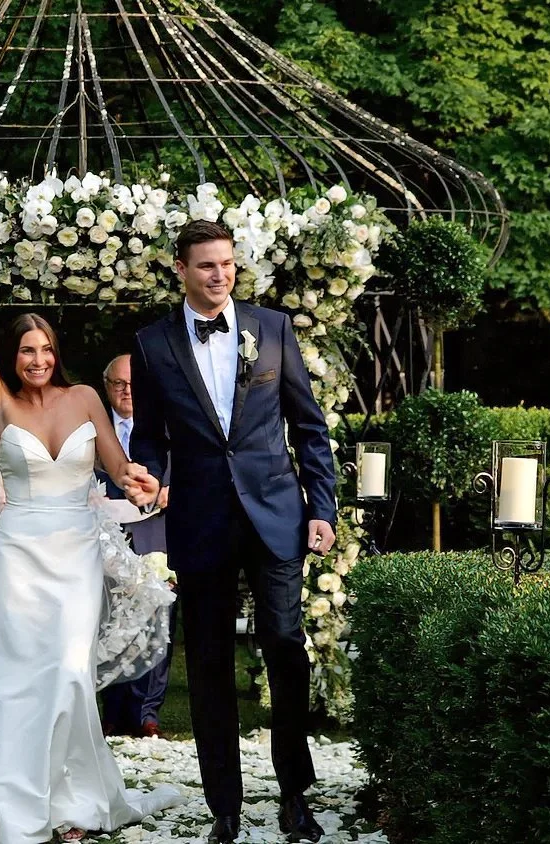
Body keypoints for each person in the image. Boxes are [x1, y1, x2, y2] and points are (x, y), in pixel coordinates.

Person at [0, 234, 183, 843]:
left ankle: (77, 801)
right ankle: (24, 808)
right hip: (19, 555)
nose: (39, 360)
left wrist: (136, 479)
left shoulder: (85, 398)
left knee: (68, 671)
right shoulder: (1, 405)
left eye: (47, 349)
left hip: (75, 553)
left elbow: (113, 464)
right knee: (19, 680)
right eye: (28, 350)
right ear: (14, 357)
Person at [128, 220, 338, 844]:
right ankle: (225, 807)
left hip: (275, 514)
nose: (220, 275)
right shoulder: (151, 343)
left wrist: (321, 507)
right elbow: (150, 436)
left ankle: (295, 797)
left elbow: (309, 426)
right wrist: (149, 476)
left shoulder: (270, 329)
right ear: (181, 270)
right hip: (200, 519)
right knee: (211, 665)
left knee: (284, 645)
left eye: (227, 264)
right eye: (206, 266)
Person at [96, 354, 174, 739]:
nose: (127, 391)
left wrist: (173, 489)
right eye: (118, 384)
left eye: (133, 384)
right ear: (106, 386)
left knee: (156, 617)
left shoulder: (164, 422)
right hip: (107, 533)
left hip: (154, 533)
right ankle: (113, 710)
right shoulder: (93, 427)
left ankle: (147, 712)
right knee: (110, 620)